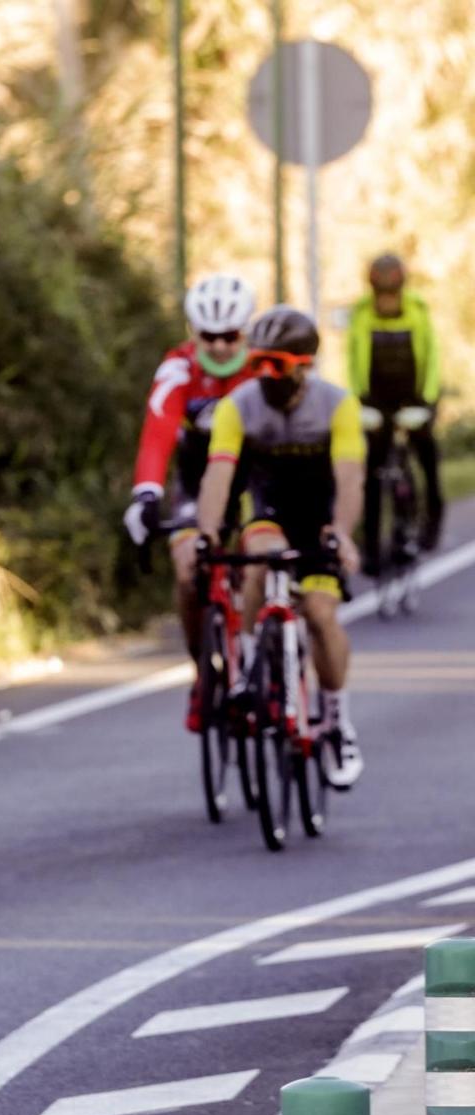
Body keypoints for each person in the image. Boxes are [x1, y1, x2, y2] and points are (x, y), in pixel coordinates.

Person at [194, 306, 365, 787]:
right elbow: (220, 473)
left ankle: (336, 722)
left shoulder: (337, 405)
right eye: (259, 363)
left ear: (304, 364)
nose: (266, 376)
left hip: (320, 521)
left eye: (278, 364)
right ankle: (251, 669)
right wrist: (207, 532)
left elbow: (350, 478)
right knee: (259, 558)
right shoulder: (238, 406)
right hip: (268, 513)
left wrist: (342, 531)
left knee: (320, 613)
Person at [122, 273, 260, 725]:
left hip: (255, 475)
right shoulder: (179, 367)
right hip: (198, 477)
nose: (220, 347)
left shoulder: (262, 367)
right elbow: (157, 431)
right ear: (193, 333)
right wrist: (146, 494)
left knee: (264, 560)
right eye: (209, 337)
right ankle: (204, 673)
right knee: (187, 569)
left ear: (246, 332)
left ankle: (265, 655)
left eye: (231, 336)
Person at [347, 253, 444, 570]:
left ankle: (432, 515)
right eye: (382, 295)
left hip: (414, 396)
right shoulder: (361, 314)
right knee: (372, 472)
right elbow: (353, 361)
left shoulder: (417, 311)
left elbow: (432, 357)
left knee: (427, 455)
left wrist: (427, 401)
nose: (388, 302)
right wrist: (358, 402)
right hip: (376, 401)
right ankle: (372, 546)